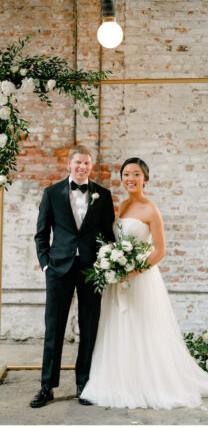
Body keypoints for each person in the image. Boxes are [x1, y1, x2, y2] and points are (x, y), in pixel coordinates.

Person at [79, 158, 208, 409]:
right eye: (126, 174)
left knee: (142, 328)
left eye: (136, 174)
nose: (130, 178)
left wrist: (132, 271)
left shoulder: (151, 209)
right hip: (117, 278)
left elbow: (160, 250)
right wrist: (112, 265)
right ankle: (116, 379)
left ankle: (146, 382)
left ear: (145, 179)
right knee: (117, 327)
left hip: (140, 278)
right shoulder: (121, 205)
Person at [32, 145, 116, 408]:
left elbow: (108, 235)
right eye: (78, 162)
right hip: (59, 269)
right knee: (54, 329)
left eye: (87, 163)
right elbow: (41, 233)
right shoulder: (52, 193)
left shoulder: (103, 195)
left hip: (92, 269)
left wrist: (105, 263)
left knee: (89, 327)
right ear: (69, 164)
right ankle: (47, 387)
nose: (82, 167)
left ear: (92, 166)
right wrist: (46, 264)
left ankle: (84, 383)